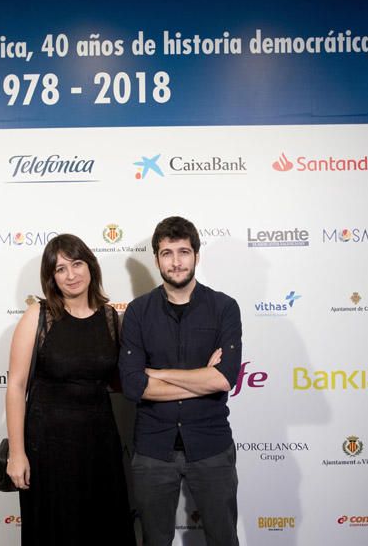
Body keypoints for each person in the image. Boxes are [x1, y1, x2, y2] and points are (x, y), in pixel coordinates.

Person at [5, 234, 135, 545]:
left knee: (102, 530)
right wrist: (17, 453)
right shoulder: (38, 315)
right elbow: (16, 386)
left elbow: (123, 380)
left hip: (99, 445)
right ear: (51, 278)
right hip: (47, 447)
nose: (71, 275)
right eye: (60, 269)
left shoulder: (111, 319)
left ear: (91, 266)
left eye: (76, 264)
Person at [119, 216, 242, 546]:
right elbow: (132, 386)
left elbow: (223, 379)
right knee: (154, 541)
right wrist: (201, 375)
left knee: (224, 539)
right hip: (152, 448)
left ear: (197, 256)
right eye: (167, 253)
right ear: (156, 258)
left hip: (211, 445)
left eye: (184, 252)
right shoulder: (137, 312)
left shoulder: (224, 308)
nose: (176, 262)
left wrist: (158, 373)